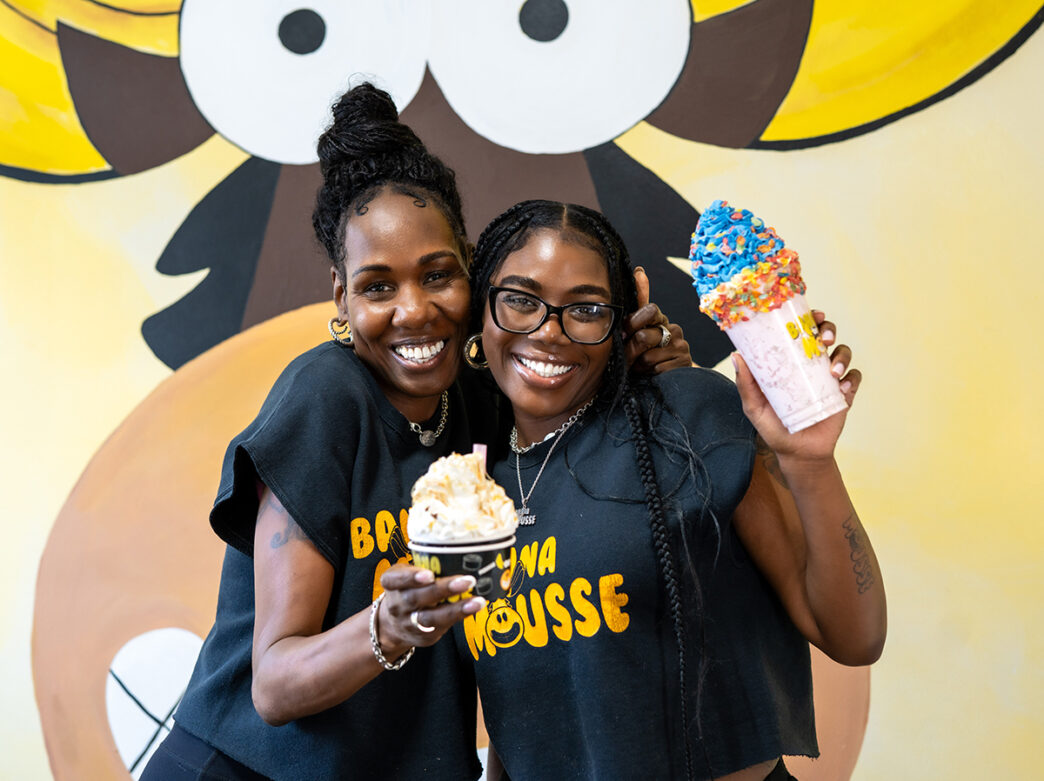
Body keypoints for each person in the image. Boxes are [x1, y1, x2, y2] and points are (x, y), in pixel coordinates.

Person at [140, 86, 690, 781]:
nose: (414, 310)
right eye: (377, 287)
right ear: (341, 298)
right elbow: (274, 684)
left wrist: (651, 364)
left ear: (470, 268)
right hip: (241, 768)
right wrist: (387, 627)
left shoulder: (487, 405)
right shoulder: (325, 396)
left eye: (437, 275)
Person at [458, 200, 887, 781]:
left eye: (585, 308)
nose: (549, 331)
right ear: (478, 311)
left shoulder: (687, 417)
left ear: (622, 318)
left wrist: (809, 463)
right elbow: (523, 703)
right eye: (519, 299)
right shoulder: (470, 486)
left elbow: (853, 636)